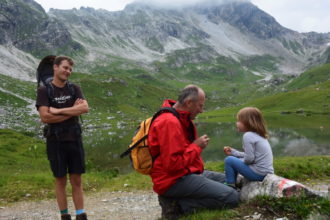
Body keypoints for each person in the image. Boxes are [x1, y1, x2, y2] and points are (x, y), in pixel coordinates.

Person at [148, 85, 239, 219]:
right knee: (232, 197)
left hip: (187, 172)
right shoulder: (169, 122)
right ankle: (177, 206)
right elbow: (172, 165)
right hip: (172, 180)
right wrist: (197, 147)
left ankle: (182, 200)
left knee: (232, 180)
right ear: (189, 103)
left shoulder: (181, 118)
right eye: (200, 106)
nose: (201, 111)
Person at [36, 56, 89, 220]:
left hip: (74, 139)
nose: (68, 72)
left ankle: (81, 215)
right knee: (60, 180)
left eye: (70, 69)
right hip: (55, 140)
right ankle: (64, 215)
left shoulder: (74, 88)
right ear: (55, 67)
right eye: (65, 68)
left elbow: (85, 108)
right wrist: (72, 110)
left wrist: (58, 111)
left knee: (76, 179)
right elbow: (45, 117)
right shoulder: (44, 90)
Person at [223, 107, 274, 188]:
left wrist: (237, 161)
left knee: (229, 160)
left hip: (258, 173)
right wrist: (233, 152)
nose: (236, 123)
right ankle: (233, 182)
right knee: (234, 160)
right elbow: (250, 155)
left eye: (239, 121)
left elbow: (249, 159)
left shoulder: (248, 135)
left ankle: (230, 185)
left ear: (248, 122)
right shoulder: (259, 135)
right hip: (266, 173)